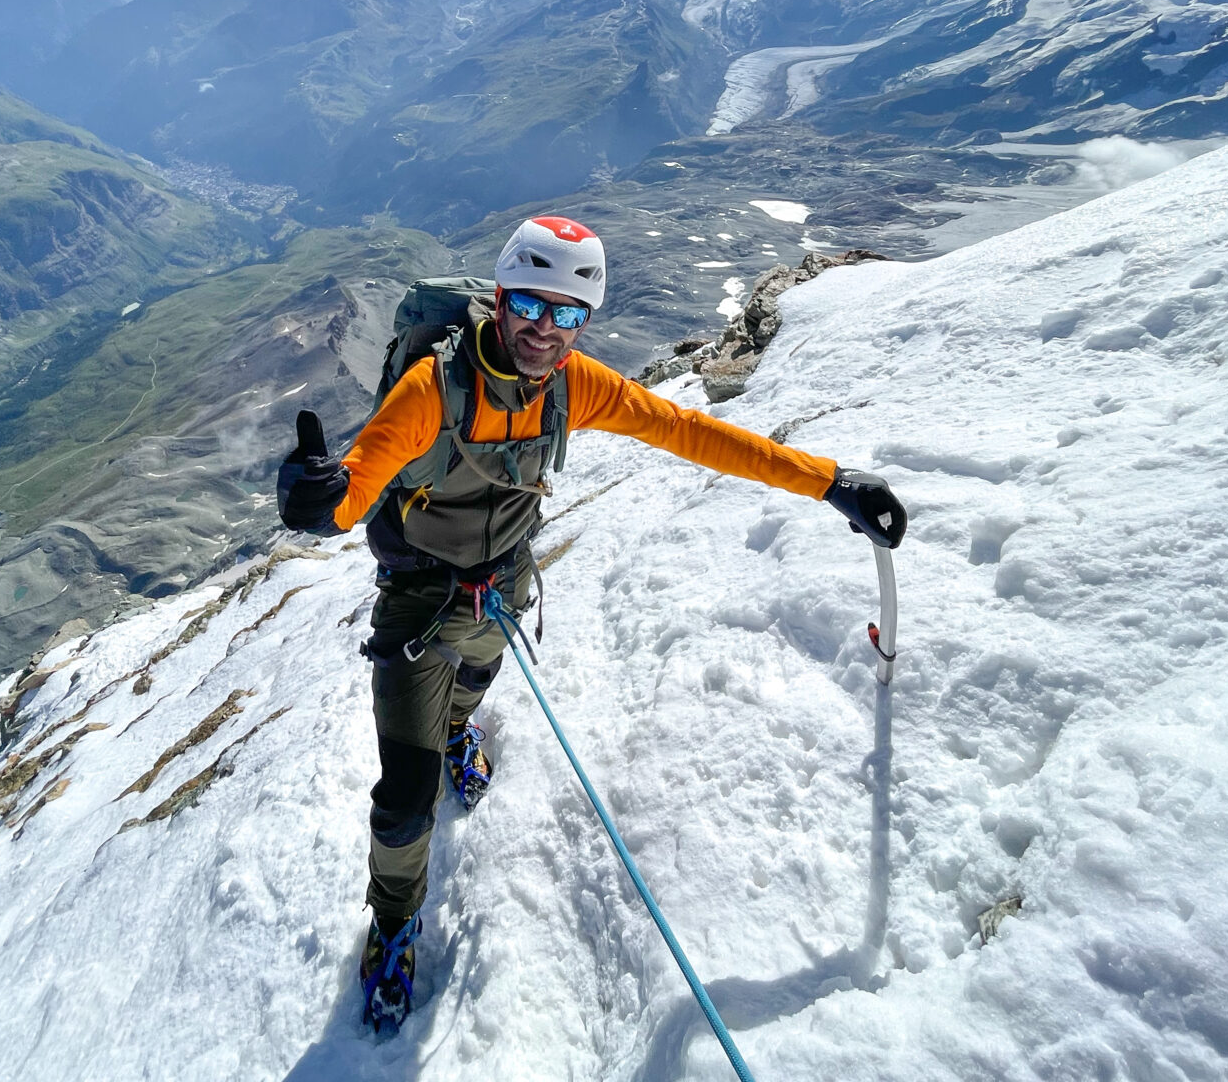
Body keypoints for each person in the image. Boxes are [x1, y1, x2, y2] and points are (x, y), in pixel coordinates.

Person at [277, 215, 907, 1031]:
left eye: (569, 314)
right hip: (417, 605)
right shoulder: (433, 389)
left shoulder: (578, 387)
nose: (546, 329)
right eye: (532, 306)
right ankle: (394, 923)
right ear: (500, 300)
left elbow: (693, 434)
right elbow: (357, 488)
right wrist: (318, 504)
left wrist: (828, 483)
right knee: (404, 800)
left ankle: (458, 729)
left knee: (472, 684)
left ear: (586, 322)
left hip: (501, 586)